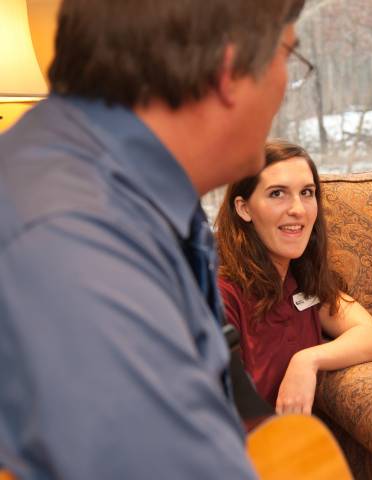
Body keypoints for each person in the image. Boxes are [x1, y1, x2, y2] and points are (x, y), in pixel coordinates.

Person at [0, 1, 307, 478]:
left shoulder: (147, 197)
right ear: (228, 70)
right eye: (289, 56)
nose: (287, 86)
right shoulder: (75, 245)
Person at [215, 139, 372, 416]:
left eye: (307, 193)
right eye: (277, 194)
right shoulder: (221, 295)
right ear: (244, 208)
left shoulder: (301, 276)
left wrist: (308, 360)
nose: (298, 208)